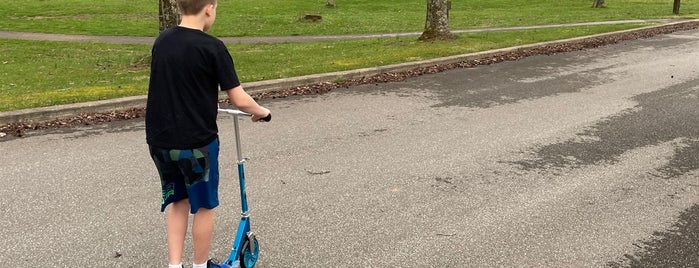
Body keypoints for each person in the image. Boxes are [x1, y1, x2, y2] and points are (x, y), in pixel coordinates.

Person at [145, 0, 271, 267]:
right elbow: (239, 99)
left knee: (178, 201)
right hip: (195, 144)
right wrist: (262, 111)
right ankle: (200, 265)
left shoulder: (163, 41)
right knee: (202, 206)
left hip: (160, 142)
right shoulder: (212, 47)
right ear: (209, 8)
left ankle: (174, 265)